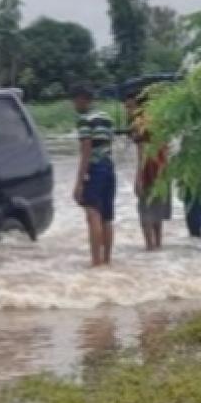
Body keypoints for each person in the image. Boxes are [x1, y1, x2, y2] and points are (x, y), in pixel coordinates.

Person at [71, 84, 116, 267]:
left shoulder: (84, 120)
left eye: (75, 101)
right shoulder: (106, 118)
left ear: (82, 99)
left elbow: (86, 150)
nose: (74, 105)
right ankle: (107, 260)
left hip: (94, 169)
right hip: (109, 167)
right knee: (107, 216)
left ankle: (96, 261)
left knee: (93, 214)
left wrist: (80, 181)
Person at [126, 93, 171, 251]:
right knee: (157, 209)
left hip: (149, 170)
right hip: (163, 168)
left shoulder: (139, 123)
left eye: (130, 106)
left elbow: (142, 152)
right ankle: (158, 245)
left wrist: (138, 177)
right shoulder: (160, 120)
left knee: (145, 210)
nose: (127, 111)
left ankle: (149, 247)